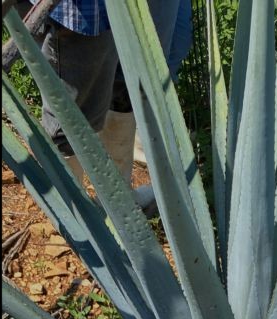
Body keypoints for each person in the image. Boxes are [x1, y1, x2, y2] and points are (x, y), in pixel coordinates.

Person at [11, 0, 194, 212]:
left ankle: (120, 201)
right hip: (86, 11)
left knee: (125, 84)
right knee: (71, 115)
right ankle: (74, 216)